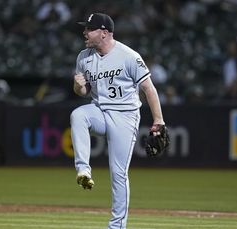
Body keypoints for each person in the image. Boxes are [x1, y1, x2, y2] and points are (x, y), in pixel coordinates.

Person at [70, 13, 166, 229]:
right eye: (85, 28)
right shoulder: (83, 57)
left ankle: (117, 226)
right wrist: (78, 86)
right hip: (99, 111)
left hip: (125, 116)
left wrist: (158, 120)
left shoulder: (128, 56)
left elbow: (148, 88)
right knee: (78, 115)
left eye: (89, 29)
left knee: (118, 173)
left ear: (104, 32)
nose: (85, 32)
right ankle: (83, 169)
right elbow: (84, 91)